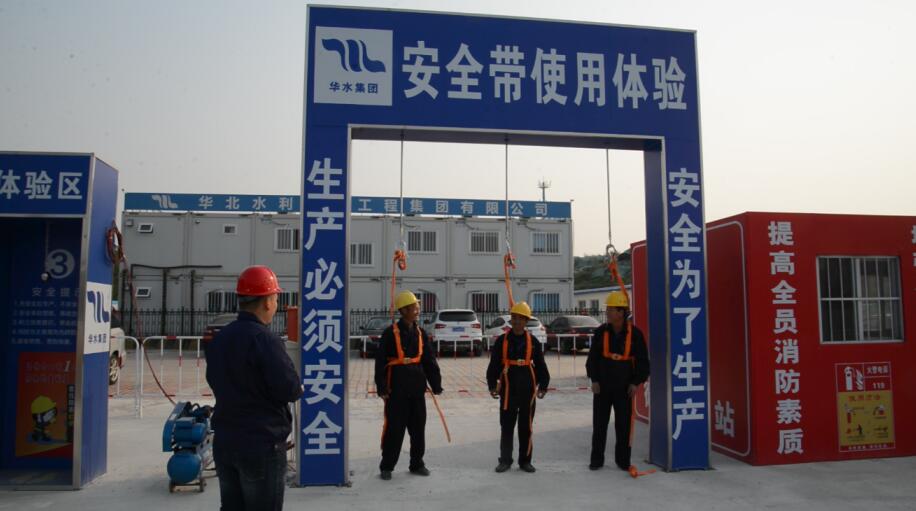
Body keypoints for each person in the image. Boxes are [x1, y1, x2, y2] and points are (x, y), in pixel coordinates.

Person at [205, 265, 303, 511]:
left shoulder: (221, 338)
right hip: (261, 445)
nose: (277, 305)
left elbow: (213, 379)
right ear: (267, 302)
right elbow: (289, 389)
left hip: (225, 442)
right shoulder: (265, 340)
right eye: (276, 298)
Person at [375, 290, 443, 480]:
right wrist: (382, 387)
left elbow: (429, 360)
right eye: (414, 307)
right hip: (396, 390)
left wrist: (436, 383)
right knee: (394, 430)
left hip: (417, 390)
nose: (418, 310)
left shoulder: (420, 333)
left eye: (417, 307)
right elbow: (380, 362)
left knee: (418, 429)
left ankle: (417, 463)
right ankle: (387, 466)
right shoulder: (390, 334)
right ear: (404, 310)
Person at [586, 291, 650, 472]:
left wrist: (635, 382)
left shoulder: (635, 334)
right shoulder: (601, 332)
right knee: (599, 425)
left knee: (623, 425)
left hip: (624, 387)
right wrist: (594, 379)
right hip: (602, 386)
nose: (607, 312)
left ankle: (623, 460)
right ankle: (596, 460)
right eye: (608, 309)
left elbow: (643, 362)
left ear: (621, 312)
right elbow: (592, 359)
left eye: (611, 309)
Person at [486, 302, 550, 473]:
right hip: (508, 389)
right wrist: (492, 385)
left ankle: (525, 461)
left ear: (526, 321)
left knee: (525, 427)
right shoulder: (502, 341)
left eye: (520, 319)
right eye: (514, 318)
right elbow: (494, 364)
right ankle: (505, 460)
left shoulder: (533, 341)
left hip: (527, 388)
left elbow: (541, 364)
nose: (516, 321)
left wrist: (543, 385)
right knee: (507, 426)